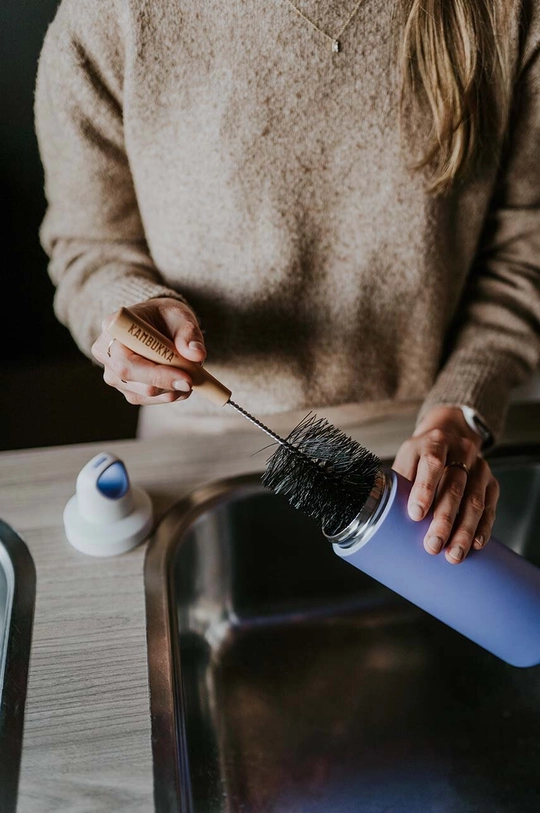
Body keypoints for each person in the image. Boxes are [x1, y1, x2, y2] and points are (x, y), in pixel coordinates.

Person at [35, 0, 540, 564]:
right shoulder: (111, 14)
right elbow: (89, 246)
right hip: (204, 444)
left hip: (432, 436)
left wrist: (462, 411)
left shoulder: (510, 12)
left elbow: (527, 243)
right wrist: (130, 311)